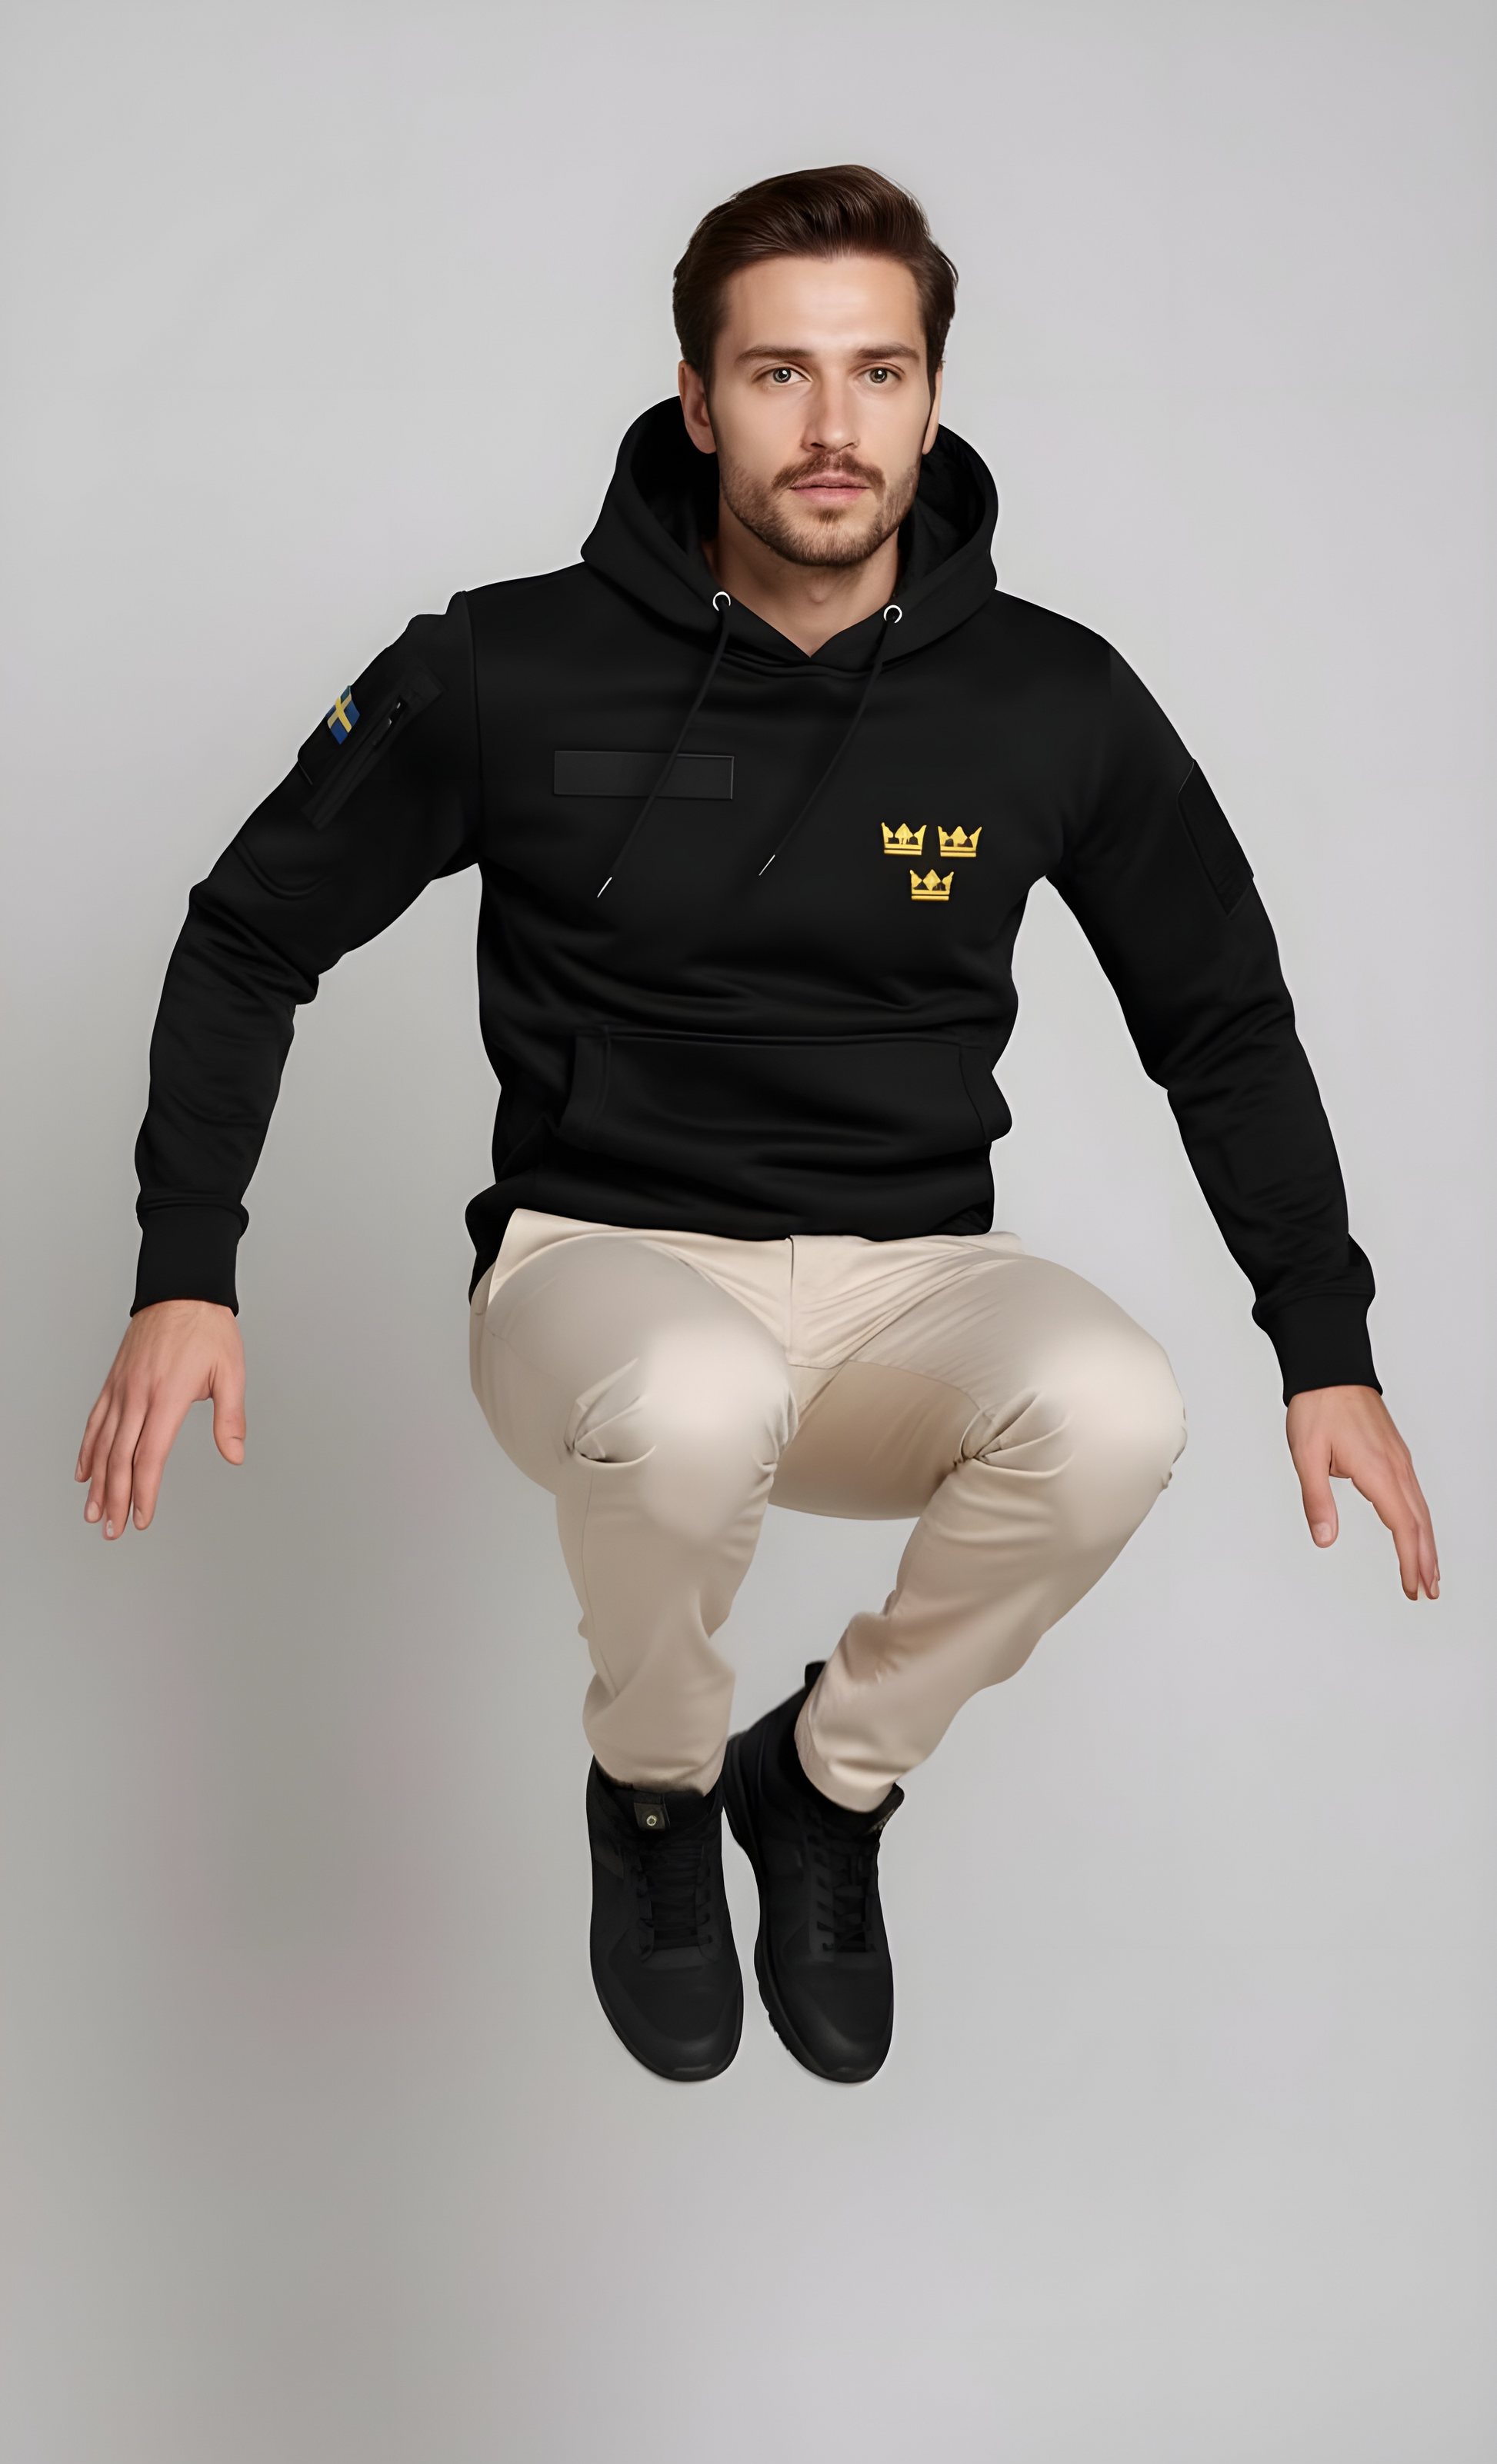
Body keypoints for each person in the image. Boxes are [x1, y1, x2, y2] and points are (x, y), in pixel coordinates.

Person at [76, 165, 1439, 2088]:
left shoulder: (1051, 697)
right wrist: (185, 1270)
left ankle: (821, 1782)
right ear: (698, 400)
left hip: (906, 1283)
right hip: (600, 1271)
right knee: (696, 1397)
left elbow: (1217, 1015)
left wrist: (1324, 1340)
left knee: (1118, 1406)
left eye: (877, 372)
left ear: (933, 399)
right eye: (779, 373)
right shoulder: (504, 665)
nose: (830, 424)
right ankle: (649, 1794)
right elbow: (248, 932)